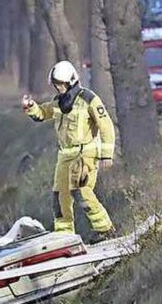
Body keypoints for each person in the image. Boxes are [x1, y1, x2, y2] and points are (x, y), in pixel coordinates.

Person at [21, 60, 116, 242]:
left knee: (81, 191)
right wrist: (31, 107)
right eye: (56, 84)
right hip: (65, 155)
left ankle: (105, 229)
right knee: (60, 195)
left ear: (70, 81)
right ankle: (64, 235)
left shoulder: (89, 99)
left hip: (84, 154)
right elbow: (42, 113)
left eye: (60, 84)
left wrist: (106, 154)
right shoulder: (58, 102)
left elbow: (106, 126)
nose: (58, 87)